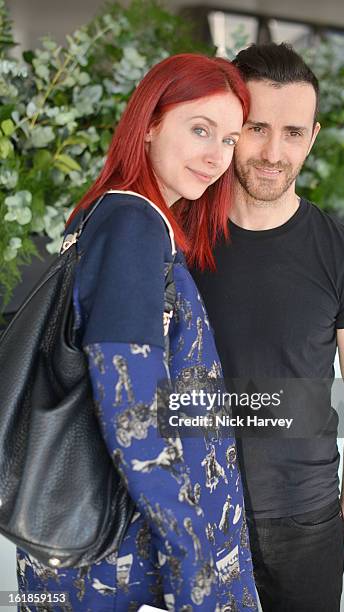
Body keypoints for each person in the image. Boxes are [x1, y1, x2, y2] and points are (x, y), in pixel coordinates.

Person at [15, 53, 259, 611]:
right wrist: (193, 565)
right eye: (200, 129)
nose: (216, 156)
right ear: (149, 124)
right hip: (138, 555)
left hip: (122, 540)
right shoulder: (133, 225)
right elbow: (134, 416)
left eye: (228, 140)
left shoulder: (111, 218)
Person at [190, 43, 344, 612]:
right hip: (194, 515)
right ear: (230, 126)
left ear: (313, 136)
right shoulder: (173, 238)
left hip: (306, 522)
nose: (275, 152)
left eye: (294, 133)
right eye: (257, 127)